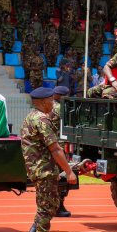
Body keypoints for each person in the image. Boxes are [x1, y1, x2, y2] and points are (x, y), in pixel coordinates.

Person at [19, 87, 78, 232]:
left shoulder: (30, 117)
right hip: (43, 170)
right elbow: (55, 148)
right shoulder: (41, 120)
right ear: (43, 102)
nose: (53, 103)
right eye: (51, 101)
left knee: (50, 206)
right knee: (46, 209)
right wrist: (68, 171)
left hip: (38, 169)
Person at [50, 86, 73, 218]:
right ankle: (58, 207)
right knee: (61, 177)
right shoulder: (61, 108)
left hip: (49, 145)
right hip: (59, 147)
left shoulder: (48, 106)